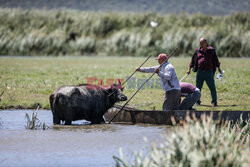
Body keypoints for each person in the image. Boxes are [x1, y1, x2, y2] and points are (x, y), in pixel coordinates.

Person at [186, 38, 222, 107]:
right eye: (200, 43)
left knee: (212, 88)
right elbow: (193, 60)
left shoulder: (211, 50)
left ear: (206, 43)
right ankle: (197, 101)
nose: (201, 45)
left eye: (202, 43)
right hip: (200, 72)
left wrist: (219, 69)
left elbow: (216, 60)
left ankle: (214, 102)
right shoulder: (198, 50)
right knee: (197, 88)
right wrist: (189, 69)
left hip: (209, 72)